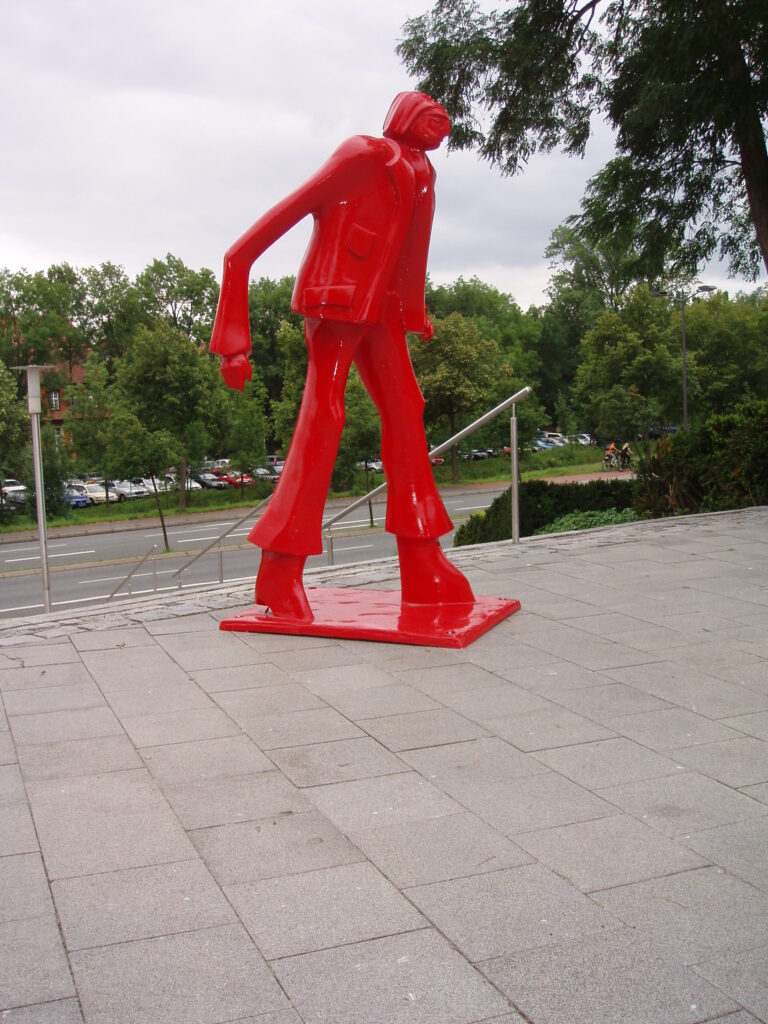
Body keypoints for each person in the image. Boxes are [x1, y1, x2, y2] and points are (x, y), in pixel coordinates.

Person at [209, 91, 474, 619]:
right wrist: (233, 342)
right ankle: (280, 569)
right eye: (431, 119)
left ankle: (422, 561)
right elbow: (257, 237)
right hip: (337, 303)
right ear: (405, 117)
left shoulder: (421, 171)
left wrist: (414, 309)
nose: (441, 131)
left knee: (407, 408)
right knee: (325, 415)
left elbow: (409, 247)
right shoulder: (362, 154)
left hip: (382, 311)